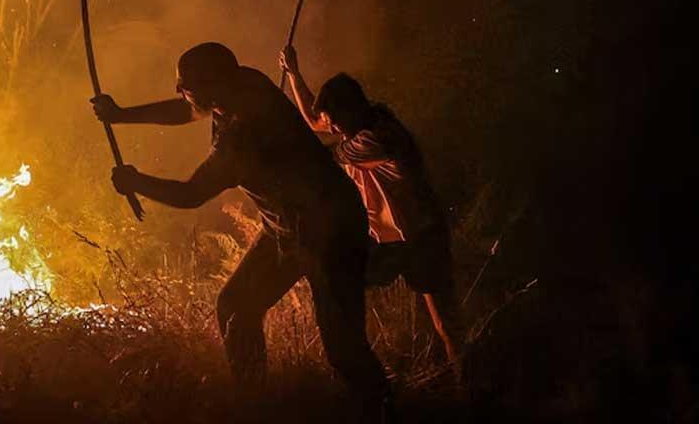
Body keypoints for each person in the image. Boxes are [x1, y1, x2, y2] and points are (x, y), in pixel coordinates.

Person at [92, 42, 393, 418]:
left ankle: (385, 410)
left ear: (212, 87)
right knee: (237, 307)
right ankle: (255, 406)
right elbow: (187, 110)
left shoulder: (242, 134)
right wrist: (121, 115)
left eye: (185, 84)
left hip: (329, 231)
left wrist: (137, 182)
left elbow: (191, 193)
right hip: (290, 227)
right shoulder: (245, 83)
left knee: (343, 347)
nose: (178, 90)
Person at [279, 45, 464, 379]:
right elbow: (315, 119)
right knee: (342, 281)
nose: (332, 128)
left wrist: (279, 144)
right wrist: (294, 73)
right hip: (388, 242)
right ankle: (362, 368)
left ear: (352, 110)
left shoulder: (378, 138)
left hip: (421, 237)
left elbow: (323, 151)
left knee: (445, 324)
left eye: (336, 122)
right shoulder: (357, 123)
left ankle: (468, 390)